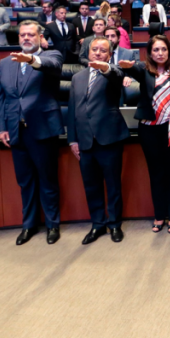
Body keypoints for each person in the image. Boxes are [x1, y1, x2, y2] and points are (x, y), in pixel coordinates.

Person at [0, 21, 64, 246]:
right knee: (25, 182)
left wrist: (32, 60)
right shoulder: (5, 63)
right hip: (16, 131)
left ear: (40, 37)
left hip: (42, 129)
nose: (26, 38)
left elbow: (51, 65)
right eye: (22, 35)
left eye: (30, 35)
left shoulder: (52, 55)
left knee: (48, 180)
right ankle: (29, 225)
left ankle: (53, 224)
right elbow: (1, 98)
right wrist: (2, 127)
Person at [119, 36, 170, 234]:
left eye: (163, 49)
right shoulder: (144, 72)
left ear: (169, 52)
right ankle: (159, 215)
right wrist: (127, 67)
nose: (160, 53)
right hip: (150, 130)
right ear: (150, 53)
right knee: (156, 174)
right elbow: (134, 70)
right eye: (156, 50)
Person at [67, 36, 130, 245]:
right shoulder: (77, 78)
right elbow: (72, 110)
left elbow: (117, 74)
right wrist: (72, 140)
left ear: (110, 55)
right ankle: (97, 224)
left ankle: (114, 224)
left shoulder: (113, 73)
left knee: (112, 185)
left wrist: (106, 67)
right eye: (95, 49)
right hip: (85, 141)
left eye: (104, 50)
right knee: (91, 186)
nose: (98, 53)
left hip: (109, 139)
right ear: (88, 52)